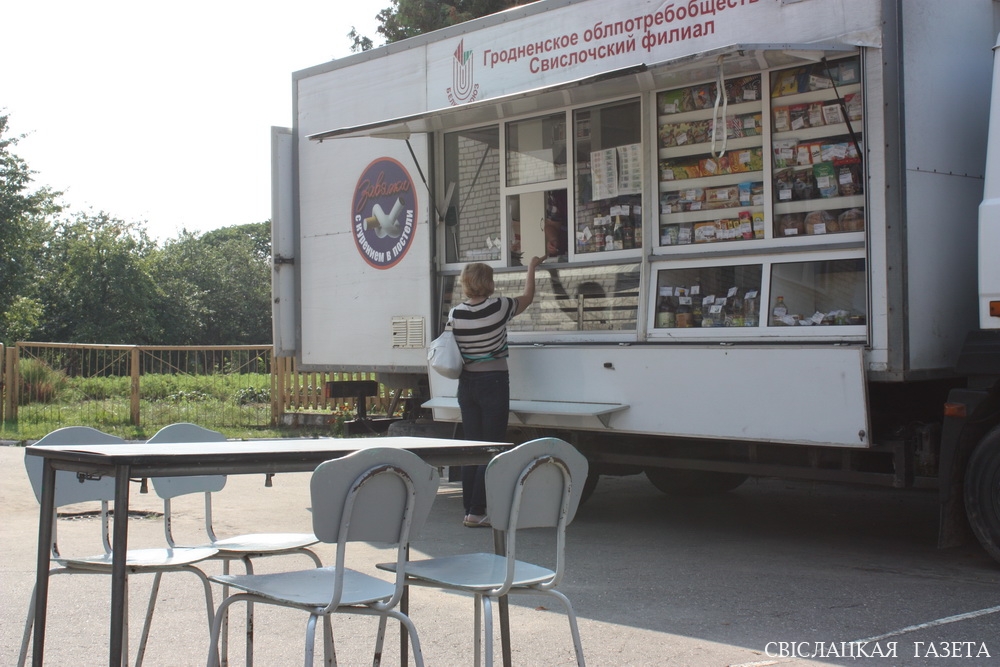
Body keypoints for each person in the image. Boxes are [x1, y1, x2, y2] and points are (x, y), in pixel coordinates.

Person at [452, 255, 544, 527]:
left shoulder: (456, 313)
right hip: (493, 381)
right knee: (492, 447)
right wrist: (531, 267)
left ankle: (470, 509)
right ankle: (477, 511)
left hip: (466, 384)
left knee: (473, 447)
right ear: (488, 283)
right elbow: (528, 297)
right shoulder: (499, 307)